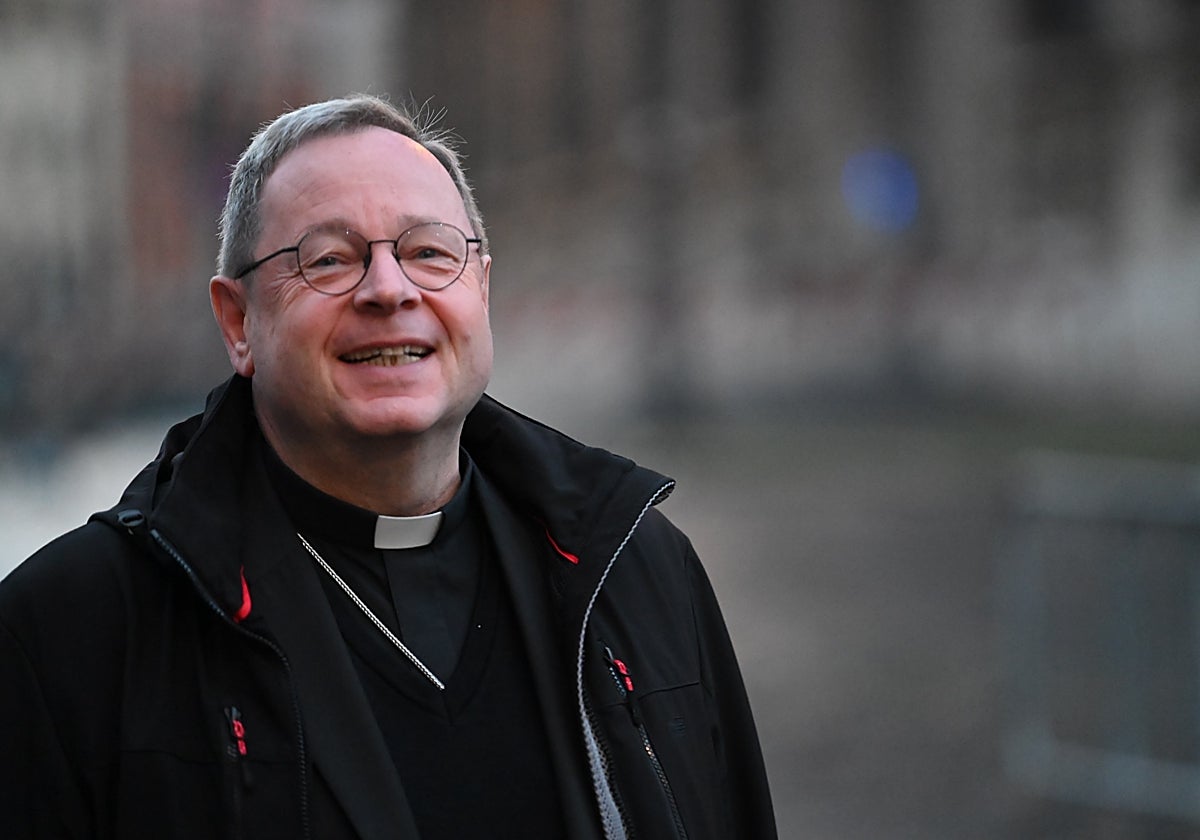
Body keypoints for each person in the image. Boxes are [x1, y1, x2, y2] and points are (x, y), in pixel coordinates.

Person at [0, 94, 776, 839]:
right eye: (329, 260)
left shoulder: (640, 571)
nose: (389, 289)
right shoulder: (68, 634)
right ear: (239, 323)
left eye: (429, 252)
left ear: (480, 287)